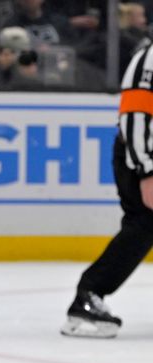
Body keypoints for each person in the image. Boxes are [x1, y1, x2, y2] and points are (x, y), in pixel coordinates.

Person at [61, 41, 153, 338]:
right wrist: (147, 169)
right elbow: (135, 116)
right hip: (141, 157)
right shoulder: (149, 59)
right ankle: (88, 295)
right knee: (145, 223)